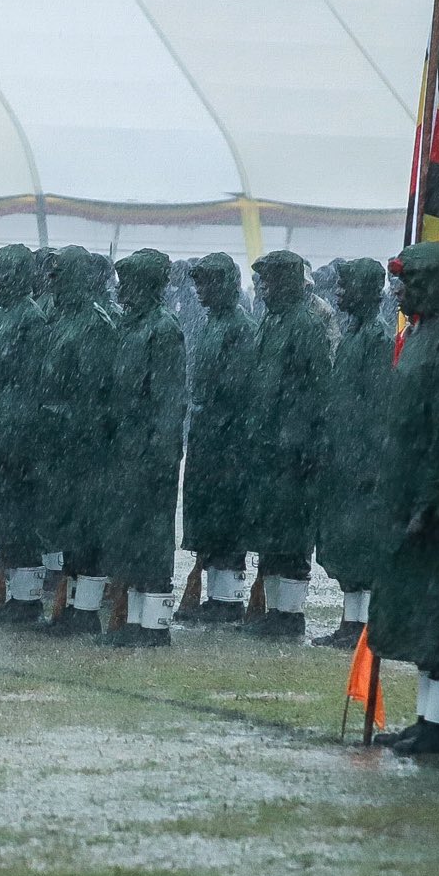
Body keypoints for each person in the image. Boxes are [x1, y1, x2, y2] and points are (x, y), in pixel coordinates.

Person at [366, 242, 439, 755]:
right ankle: (428, 718)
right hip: (406, 494)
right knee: (421, 615)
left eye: (407, 282)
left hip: (436, 506)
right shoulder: (420, 332)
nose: (399, 292)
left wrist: (430, 499)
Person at [241, 250, 332, 639]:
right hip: (268, 444)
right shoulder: (271, 322)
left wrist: (299, 439)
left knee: (292, 534)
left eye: (270, 281)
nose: (263, 289)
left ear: (289, 283)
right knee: (272, 529)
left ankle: (290, 614)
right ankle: (274, 611)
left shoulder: (306, 325)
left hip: (293, 450)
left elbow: (316, 390)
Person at [31, 247, 119, 637]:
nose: (51, 284)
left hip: (83, 446)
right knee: (69, 527)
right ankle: (72, 608)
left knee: (87, 531)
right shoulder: (64, 319)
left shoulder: (93, 325)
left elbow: (93, 395)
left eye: (58, 276)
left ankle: (84, 612)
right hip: (61, 443)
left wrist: (63, 419)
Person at [101, 249, 186, 647]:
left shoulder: (163, 330)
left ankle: (152, 627)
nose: (122, 292)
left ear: (149, 287)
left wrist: (159, 454)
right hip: (126, 450)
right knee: (129, 538)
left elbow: (169, 401)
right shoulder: (129, 327)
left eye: (130, 284)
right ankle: (133, 624)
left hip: (150, 454)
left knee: (151, 541)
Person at [315, 258, 393, 649]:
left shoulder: (376, 340)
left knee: (361, 545)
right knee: (347, 545)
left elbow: (377, 407)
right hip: (343, 458)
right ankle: (351, 622)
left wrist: (367, 462)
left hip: (361, 462)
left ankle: (362, 625)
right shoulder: (354, 334)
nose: (340, 293)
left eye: (348, 286)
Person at [180, 253, 257, 623]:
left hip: (228, 440)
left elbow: (236, 388)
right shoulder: (213, 324)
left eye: (207, 283)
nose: (200, 291)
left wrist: (213, 417)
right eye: (199, 284)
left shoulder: (238, 327)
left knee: (226, 520)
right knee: (208, 516)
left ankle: (227, 601)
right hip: (209, 435)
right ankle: (216, 597)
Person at [0, 245, 51, 624]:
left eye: (1, 272)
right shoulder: (0, 314)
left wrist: (19, 435)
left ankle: (27, 602)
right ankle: (15, 597)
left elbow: (33, 386)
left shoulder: (30, 320)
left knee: (23, 523)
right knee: (8, 521)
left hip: (20, 438)